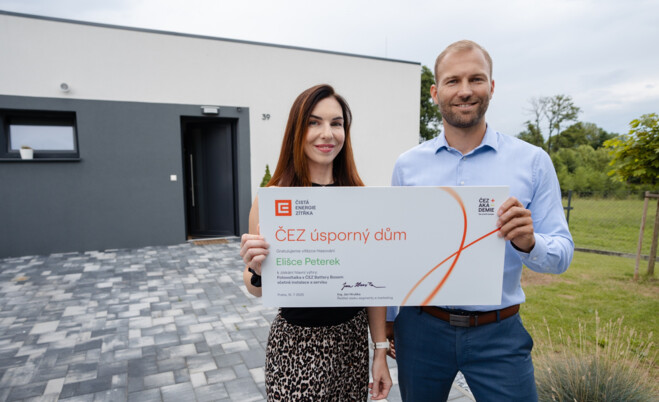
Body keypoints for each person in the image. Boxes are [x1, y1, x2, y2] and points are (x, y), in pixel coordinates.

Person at [386, 40, 574, 401]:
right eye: (453, 81)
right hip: (422, 330)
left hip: (498, 333)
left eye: (476, 79)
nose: (465, 90)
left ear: (491, 86)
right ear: (435, 92)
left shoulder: (533, 162)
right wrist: (391, 320)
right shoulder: (408, 166)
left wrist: (529, 242)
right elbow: (397, 249)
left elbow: (562, 255)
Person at [240, 84, 392, 401]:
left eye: (336, 123)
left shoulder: (361, 199)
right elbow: (255, 288)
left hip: (350, 344)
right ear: (298, 130)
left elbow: (375, 284)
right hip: (293, 345)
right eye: (314, 122)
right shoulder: (273, 199)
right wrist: (256, 270)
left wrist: (379, 350)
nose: (327, 133)